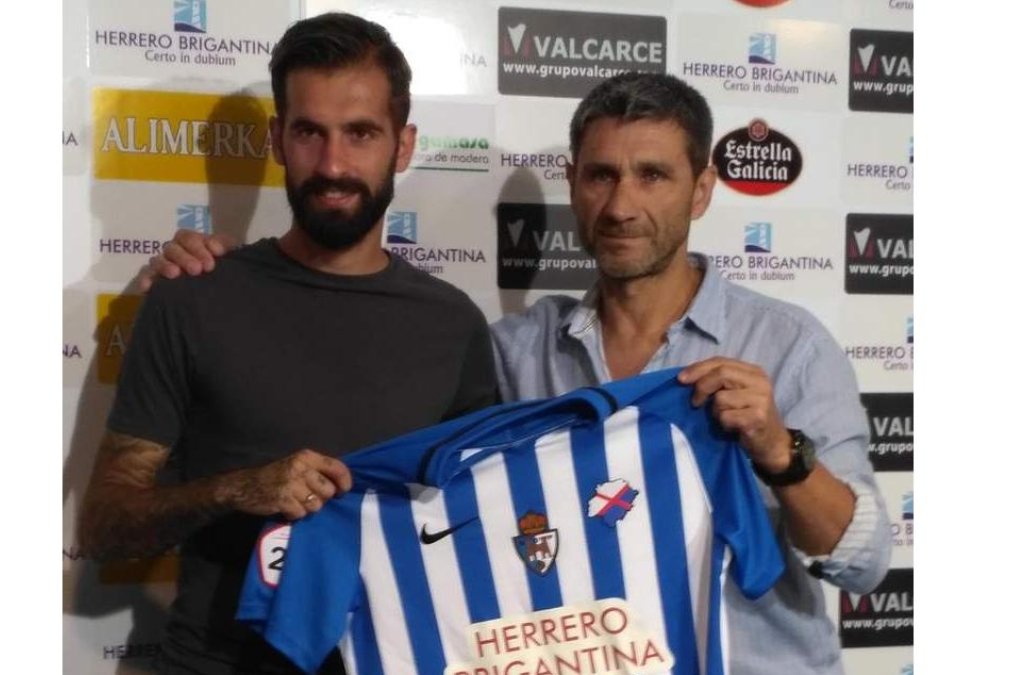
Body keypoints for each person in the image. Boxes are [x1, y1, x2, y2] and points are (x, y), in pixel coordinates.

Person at [147, 74, 891, 675]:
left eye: (652, 175)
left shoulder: (786, 344)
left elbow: (863, 563)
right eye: (601, 175)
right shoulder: (512, 350)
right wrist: (218, 282)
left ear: (700, 189)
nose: (622, 204)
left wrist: (780, 453)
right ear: (573, 184)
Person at [77, 12, 498, 675]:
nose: (333, 165)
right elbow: (104, 526)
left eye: (361, 133)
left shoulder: (454, 324)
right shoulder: (191, 297)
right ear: (277, 139)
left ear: (404, 144)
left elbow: (481, 528)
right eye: (309, 132)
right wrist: (237, 489)